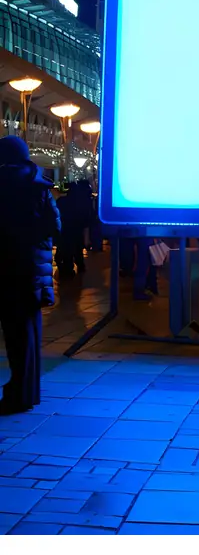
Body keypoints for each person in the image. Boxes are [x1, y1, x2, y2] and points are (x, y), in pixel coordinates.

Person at [0, 136, 61, 414]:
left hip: (5, 266)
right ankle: (26, 393)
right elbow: (54, 226)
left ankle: (16, 394)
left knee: (13, 334)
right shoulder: (40, 185)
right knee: (28, 331)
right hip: (31, 270)